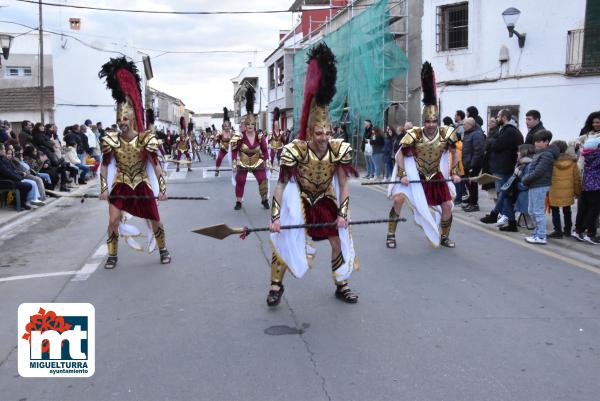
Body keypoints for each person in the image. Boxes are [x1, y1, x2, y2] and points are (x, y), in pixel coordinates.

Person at [269, 43, 358, 307]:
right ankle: (275, 286)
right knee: (285, 237)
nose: (324, 137)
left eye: (327, 132)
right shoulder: (295, 150)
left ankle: (341, 284)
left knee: (337, 239)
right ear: (309, 132)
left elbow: (343, 185)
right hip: (300, 198)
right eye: (319, 133)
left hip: (326, 198)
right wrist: (275, 217)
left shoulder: (338, 149)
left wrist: (343, 214)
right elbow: (280, 186)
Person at [98, 56, 171, 269]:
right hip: (120, 184)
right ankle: (112, 255)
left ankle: (163, 249)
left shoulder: (145, 139)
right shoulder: (110, 140)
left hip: (141, 183)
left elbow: (156, 167)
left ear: (131, 119)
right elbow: (104, 166)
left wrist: (163, 190)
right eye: (119, 119)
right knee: (112, 221)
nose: (121, 122)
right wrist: (104, 188)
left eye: (125, 119)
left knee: (155, 219)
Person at [387, 62, 461, 249]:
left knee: (447, 205)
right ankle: (390, 235)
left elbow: (454, 151)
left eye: (433, 121)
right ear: (423, 120)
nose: (430, 124)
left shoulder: (446, 134)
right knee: (397, 200)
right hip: (415, 176)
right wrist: (403, 175)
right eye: (427, 121)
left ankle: (444, 237)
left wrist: (453, 171)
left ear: (437, 120)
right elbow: (399, 155)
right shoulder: (414, 134)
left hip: (435, 176)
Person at [480, 110, 523, 225]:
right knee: (504, 194)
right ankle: (511, 221)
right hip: (501, 167)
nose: (496, 118)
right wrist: (492, 141)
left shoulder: (509, 131)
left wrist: (492, 141)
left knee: (503, 193)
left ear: (503, 117)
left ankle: (496, 214)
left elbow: (496, 145)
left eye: (498, 116)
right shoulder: (504, 129)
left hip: (503, 168)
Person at [230, 86, 270, 210]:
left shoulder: (260, 136)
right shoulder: (240, 136)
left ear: (255, 125)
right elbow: (234, 150)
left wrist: (267, 162)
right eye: (248, 124)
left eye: (252, 124)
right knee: (240, 180)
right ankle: (238, 202)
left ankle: (264, 200)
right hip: (243, 162)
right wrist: (235, 163)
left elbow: (264, 150)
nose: (250, 126)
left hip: (257, 161)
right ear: (245, 125)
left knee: (263, 180)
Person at [520, 130, 559, 244]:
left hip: (540, 185)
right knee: (531, 210)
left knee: (537, 211)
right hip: (534, 184)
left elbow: (539, 171)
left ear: (546, 142)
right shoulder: (540, 152)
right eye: (535, 141)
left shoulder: (546, 154)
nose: (536, 143)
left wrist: (525, 179)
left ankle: (541, 236)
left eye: (539, 141)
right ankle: (537, 233)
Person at [547, 140, 580, 239]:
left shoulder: (551, 161)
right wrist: (577, 191)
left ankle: (557, 231)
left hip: (554, 190)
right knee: (567, 210)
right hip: (568, 191)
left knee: (555, 211)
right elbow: (577, 178)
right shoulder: (572, 162)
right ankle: (567, 231)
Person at [573, 135, 600, 244]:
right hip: (596, 186)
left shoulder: (587, 154)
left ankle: (578, 230)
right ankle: (591, 234)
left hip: (586, 185)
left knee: (583, 209)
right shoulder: (598, 156)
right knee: (593, 211)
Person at [461, 117, 486, 212]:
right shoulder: (469, 133)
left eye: (465, 124)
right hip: (467, 163)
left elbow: (478, 151)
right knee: (469, 183)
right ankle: (471, 201)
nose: (463, 126)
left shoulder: (477, 134)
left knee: (472, 184)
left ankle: (474, 204)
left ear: (470, 125)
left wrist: (472, 165)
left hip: (473, 164)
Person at [0, 143, 33, 210]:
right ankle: (19, 204)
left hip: (10, 180)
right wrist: (18, 177)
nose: (4, 150)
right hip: (4, 181)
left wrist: (19, 175)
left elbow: (12, 170)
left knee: (28, 185)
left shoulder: (4, 159)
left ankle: (20, 203)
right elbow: (6, 173)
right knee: (27, 185)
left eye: (3, 149)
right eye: (2, 149)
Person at [214, 107, 233, 176]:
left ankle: (238, 169)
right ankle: (217, 170)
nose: (227, 127)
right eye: (225, 126)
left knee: (236, 158)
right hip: (223, 148)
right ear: (223, 127)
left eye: (228, 126)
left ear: (230, 126)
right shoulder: (221, 134)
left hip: (231, 148)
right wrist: (218, 143)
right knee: (219, 158)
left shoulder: (232, 133)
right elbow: (216, 140)